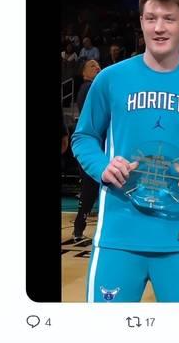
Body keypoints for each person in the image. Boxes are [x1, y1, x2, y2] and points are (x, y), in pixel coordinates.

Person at [72, 0, 179, 302]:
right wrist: (102, 166)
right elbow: (84, 136)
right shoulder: (110, 79)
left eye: (169, 18)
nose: (159, 28)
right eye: (151, 18)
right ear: (141, 21)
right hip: (118, 234)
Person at [72, 60, 102, 242]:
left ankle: (78, 229)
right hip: (93, 146)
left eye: (98, 65)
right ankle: (78, 229)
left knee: (90, 189)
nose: (97, 67)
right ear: (83, 73)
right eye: (92, 66)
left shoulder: (91, 87)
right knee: (89, 189)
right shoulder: (89, 87)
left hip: (95, 145)